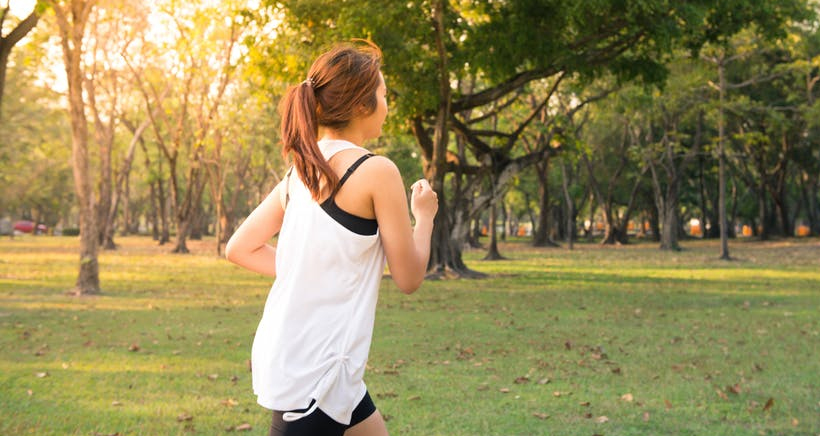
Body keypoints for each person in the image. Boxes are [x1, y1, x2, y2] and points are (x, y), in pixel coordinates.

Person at [225, 40, 438, 436]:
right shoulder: (377, 171)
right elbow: (409, 278)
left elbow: (239, 247)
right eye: (384, 95)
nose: (387, 106)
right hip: (315, 375)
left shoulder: (299, 173)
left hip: (318, 364)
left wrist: (307, 271)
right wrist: (423, 218)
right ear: (361, 105)